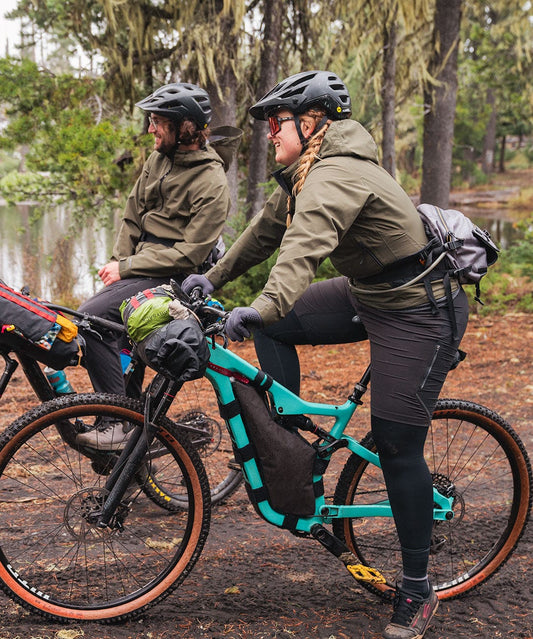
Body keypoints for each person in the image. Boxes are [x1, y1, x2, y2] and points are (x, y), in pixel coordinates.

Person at [183, 70, 469, 639]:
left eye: (276, 121)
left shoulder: (336, 173)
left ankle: (417, 588)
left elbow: (303, 248)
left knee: (395, 441)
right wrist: (210, 281)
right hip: (371, 293)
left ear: (310, 122)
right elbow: (264, 235)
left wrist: (260, 306)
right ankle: (291, 437)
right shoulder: (303, 172)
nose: (269, 132)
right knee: (278, 329)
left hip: (421, 309)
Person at [76, 82, 242, 451]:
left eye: (157, 122)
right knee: (119, 343)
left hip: (173, 280)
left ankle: (115, 424)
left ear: (185, 127)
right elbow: (132, 215)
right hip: (141, 268)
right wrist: (120, 262)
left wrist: (129, 266)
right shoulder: (158, 160)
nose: (150, 129)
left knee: (89, 321)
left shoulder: (212, 182)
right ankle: (130, 439)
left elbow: (190, 254)